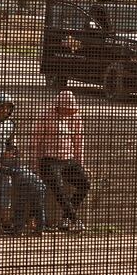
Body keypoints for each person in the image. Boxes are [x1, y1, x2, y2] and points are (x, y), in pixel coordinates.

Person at [0, 92, 47, 235]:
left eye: (8, 108)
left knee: (28, 178)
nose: (5, 111)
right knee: (5, 179)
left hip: (5, 159)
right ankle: (5, 217)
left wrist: (12, 152)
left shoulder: (10, 124)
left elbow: (11, 144)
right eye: (2, 107)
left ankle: (30, 217)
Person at [31, 90, 88, 232]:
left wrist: (80, 163)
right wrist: (34, 163)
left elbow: (78, 142)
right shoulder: (45, 116)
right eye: (66, 109)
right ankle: (75, 220)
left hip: (68, 160)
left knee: (85, 184)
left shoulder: (75, 118)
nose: (69, 112)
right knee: (58, 187)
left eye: (71, 109)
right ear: (59, 106)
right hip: (49, 160)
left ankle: (65, 218)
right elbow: (35, 142)